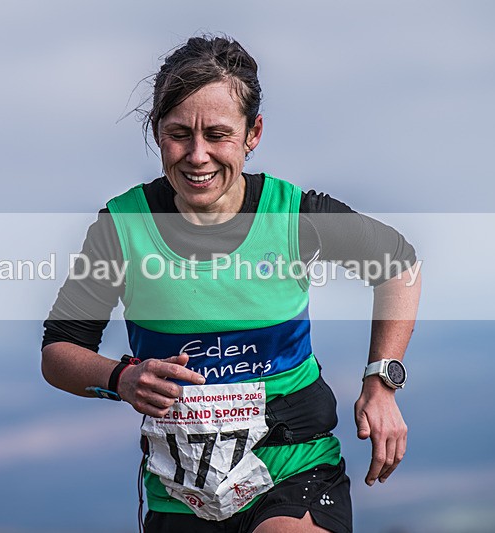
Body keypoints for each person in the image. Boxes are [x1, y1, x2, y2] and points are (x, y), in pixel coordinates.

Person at [42, 35, 421, 533]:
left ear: (253, 132)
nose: (197, 156)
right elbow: (58, 352)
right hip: (181, 491)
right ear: (158, 133)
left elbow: (398, 264)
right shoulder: (122, 226)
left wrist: (381, 381)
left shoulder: (294, 214)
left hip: (295, 463)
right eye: (179, 134)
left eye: (218, 134)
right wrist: (122, 378)